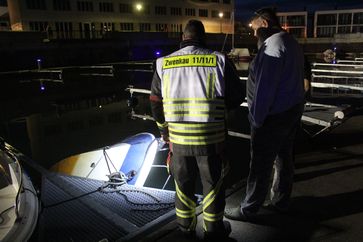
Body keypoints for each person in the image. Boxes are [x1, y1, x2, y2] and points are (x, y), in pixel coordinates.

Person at [150, 19, 245, 239]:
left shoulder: (163, 63)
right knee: (213, 186)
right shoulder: (219, 60)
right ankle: (213, 231)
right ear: (204, 38)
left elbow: (155, 101)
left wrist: (164, 130)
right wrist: (219, 110)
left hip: (179, 142)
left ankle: (185, 230)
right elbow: (238, 96)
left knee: (182, 186)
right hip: (211, 140)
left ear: (182, 38)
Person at [224, 7, 305, 221]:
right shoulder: (290, 42)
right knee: (284, 159)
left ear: (265, 24)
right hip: (290, 112)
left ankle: (249, 209)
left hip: (273, 116)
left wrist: (256, 119)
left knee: (260, 164)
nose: (253, 33)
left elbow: (265, 87)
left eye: (255, 27)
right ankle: (280, 201)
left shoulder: (273, 45)